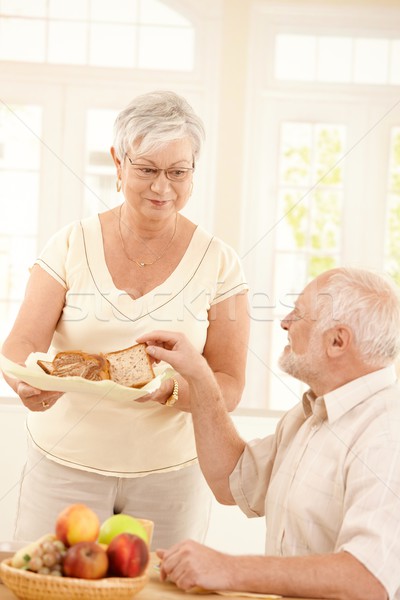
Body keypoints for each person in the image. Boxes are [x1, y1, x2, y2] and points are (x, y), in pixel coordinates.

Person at [1, 90, 250, 549]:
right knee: (51, 588)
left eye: (178, 172)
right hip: (63, 467)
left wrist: (173, 391)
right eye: (147, 170)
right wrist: (27, 384)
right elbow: (20, 344)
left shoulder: (220, 262)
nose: (162, 187)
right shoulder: (70, 243)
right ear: (118, 162)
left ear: (194, 170)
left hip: (170, 477)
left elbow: (229, 384)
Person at [139, 267, 400, 600]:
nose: (285, 322)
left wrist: (228, 569)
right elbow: (231, 481)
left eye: (299, 314)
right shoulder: (310, 413)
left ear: (337, 341)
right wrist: (201, 377)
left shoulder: (388, 435)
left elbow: (368, 579)